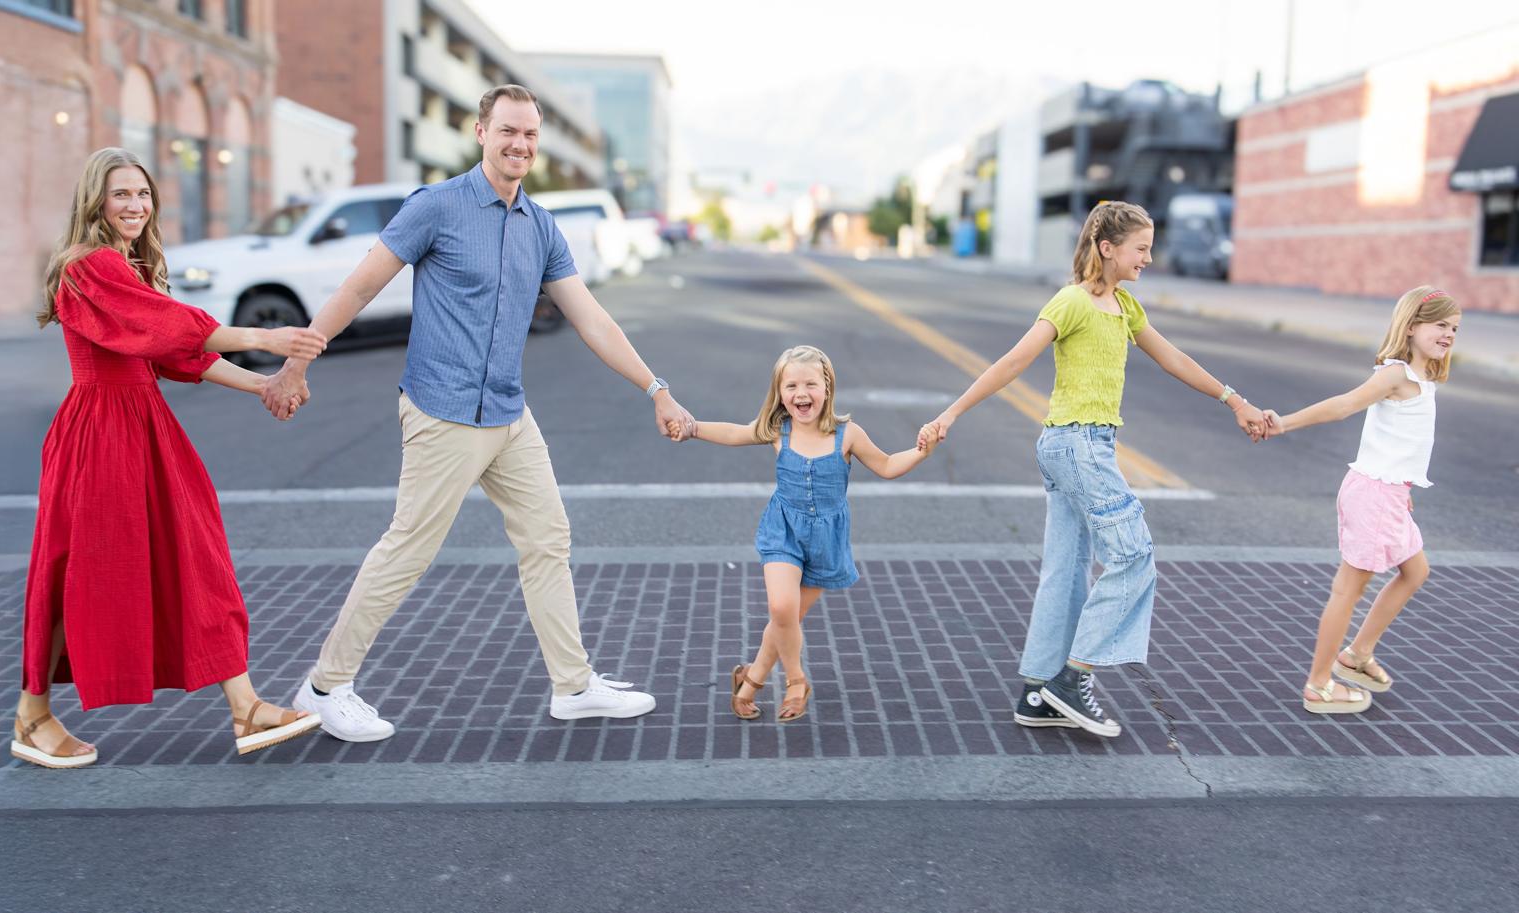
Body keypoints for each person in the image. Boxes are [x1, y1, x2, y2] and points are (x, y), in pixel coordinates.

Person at [260, 86, 691, 741]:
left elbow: (592, 318)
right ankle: (323, 688)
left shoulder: (540, 225)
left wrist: (654, 385)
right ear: (481, 131)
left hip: (509, 415)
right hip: (443, 412)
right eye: (508, 131)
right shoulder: (437, 207)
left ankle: (573, 686)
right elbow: (360, 284)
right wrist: (298, 360)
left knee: (548, 539)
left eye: (530, 135)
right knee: (406, 550)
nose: (520, 144)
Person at [12, 147, 327, 769]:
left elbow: (179, 353)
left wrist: (262, 384)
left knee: (196, 556)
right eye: (121, 194)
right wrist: (264, 336)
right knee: (78, 571)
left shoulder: (126, 267)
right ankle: (32, 715)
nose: (135, 206)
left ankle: (246, 705)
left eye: (143, 195)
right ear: (95, 201)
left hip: (143, 426)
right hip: (100, 432)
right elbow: (173, 329)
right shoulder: (88, 265)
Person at [921, 200, 1269, 738]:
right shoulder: (1072, 302)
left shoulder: (1125, 307)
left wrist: (1234, 399)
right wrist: (951, 412)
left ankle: (1038, 693)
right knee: (1134, 555)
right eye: (1141, 249)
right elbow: (1013, 360)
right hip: (1077, 446)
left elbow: (1174, 358)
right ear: (1107, 249)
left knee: (1066, 572)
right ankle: (1072, 677)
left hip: (1078, 446)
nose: (1149, 258)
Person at [673, 346, 936, 722]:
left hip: (825, 542)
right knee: (782, 608)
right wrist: (693, 428)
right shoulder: (778, 430)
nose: (801, 393)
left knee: (786, 621)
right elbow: (735, 432)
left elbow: (889, 465)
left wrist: (922, 451)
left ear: (827, 388)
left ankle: (749, 682)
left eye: (811, 383)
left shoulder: (848, 434)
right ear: (780, 393)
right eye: (791, 385)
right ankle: (797, 681)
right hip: (784, 531)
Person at [1263, 287, 1460, 714]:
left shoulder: (1424, 380)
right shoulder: (1396, 375)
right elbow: (1345, 405)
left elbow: (1400, 445)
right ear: (1411, 328)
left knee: (1415, 571)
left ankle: (1356, 654)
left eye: (1454, 328)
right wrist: (1285, 424)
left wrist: (1402, 490)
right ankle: (1318, 684)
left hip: (1390, 494)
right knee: (1348, 590)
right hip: (1372, 494)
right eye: (1440, 325)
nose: (1449, 334)